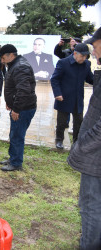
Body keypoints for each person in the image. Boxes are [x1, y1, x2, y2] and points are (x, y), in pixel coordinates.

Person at [67, 27, 101, 250]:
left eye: (95, 48)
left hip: (95, 157)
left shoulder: (88, 66)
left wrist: (81, 146)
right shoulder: (64, 64)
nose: (93, 53)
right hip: (66, 101)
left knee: (91, 206)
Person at [0, 44, 37, 172]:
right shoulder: (15, 64)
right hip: (19, 107)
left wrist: (16, 109)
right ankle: (13, 158)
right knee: (14, 134)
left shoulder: (20, 67)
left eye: (3, 58)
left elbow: (24, 91)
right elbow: (14, 87)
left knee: (17, 136)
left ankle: (16, 163)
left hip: (23, 109)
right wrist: (10, 102)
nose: (2, 61)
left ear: (11, 55)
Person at [50, 43, 93, 149]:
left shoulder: (87, 64)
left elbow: (89, 78)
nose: (84, 58)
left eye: (85, 56)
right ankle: (59, 140)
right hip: (64, 97)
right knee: (62, 122)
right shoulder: (63, 63)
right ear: (75, 53)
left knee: (78, 122)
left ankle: (76, 142)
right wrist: (57, 93)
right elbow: (55, 79)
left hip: (78, 98)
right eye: (82, 56)